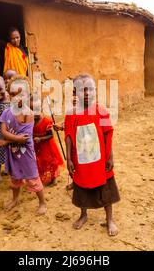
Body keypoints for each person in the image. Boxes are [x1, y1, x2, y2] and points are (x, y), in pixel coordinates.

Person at [64, 74, 120, 236]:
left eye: (90, 89)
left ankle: (109, 219)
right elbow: (68, 136)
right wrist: (69, 158)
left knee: (105, 188)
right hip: (80, 160)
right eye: (82, 90)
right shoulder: (71, 114)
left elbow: (107, 134)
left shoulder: (101, 111)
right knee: (81, 187)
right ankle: (83, 214)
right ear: (75, 92)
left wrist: (110, 156)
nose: (86, 93)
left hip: (100, 160)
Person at [0, 75, 47, 215]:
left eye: (21, 94)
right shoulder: (6, 112)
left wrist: (7, 141)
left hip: (26, 153)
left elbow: (24, 139)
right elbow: (3, 131)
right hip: (12, 153)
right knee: (15, 178)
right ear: (9, 95)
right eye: (13, 94)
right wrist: (13, 138)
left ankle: (42, 202)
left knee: (33, 178)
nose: (16, 98)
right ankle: (15, 199)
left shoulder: (28, 114)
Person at [31, 95, 64, 186]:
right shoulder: (30, 121)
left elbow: (51, 135)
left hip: (47, 146)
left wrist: (40, 139)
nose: (34, 113)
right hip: (36, 146)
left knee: (51, 162)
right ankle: (41, 177)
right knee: (40, 161)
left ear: (41, 108)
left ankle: (54, 178)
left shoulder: (46, 121)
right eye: (32, 110)